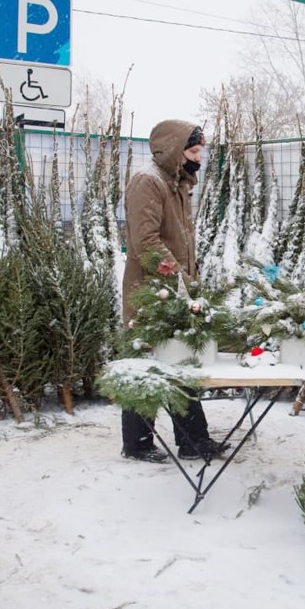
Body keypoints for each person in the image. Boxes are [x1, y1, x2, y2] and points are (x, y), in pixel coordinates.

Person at [120, 119, 231, 463]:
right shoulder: (147, 183)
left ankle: (192, 440)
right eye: (193, 150)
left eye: (200, 150)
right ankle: (138, 443)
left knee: (181, 361)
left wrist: (188, 283)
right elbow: (147, 243)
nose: (199, 157)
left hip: (175, 290)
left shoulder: (176, 183)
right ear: (173, 150)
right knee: (147, 366)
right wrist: (181, 281)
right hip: (151, 293)